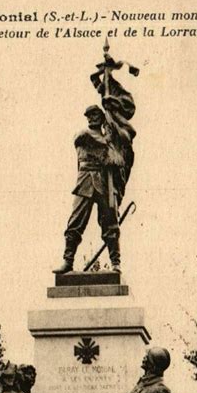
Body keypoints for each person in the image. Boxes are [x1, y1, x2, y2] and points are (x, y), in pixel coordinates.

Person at [52, 105, 122, 275]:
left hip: (103, 184)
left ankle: (116, 263)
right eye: (89, 115)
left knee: (110, 223)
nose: (92, 118)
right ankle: (67, 261)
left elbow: (118, 160)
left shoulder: (109, 141)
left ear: (102, 118)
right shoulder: (83, 134)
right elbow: (81, 138)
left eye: (96, 115)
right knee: (75, 222)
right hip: (84, 182)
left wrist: (112, 151)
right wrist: (107, 140)